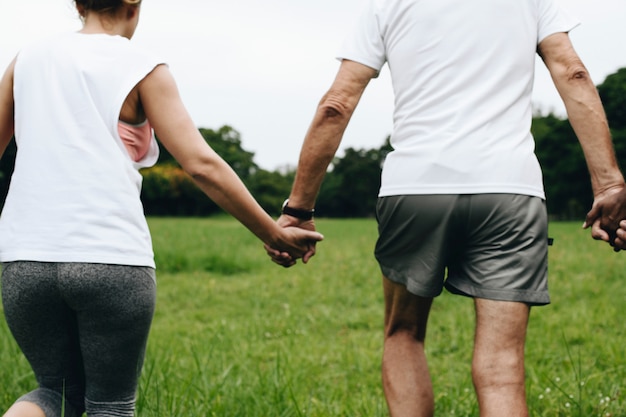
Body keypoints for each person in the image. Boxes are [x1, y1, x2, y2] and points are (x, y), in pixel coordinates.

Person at [267, 0, 625, 415]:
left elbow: (336, 104)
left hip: (416, 187)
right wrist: (609, 183)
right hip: (510, 188)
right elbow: (573, 73)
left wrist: (299, 209)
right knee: (502, 367)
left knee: (404, 333)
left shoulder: (387, 5)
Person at [0, 1, 323, 416]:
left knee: (54, 393)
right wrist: (274, 233)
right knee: (110, 406)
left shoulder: (26, 60)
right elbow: (201, 165)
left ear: (77, 3)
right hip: (110, 259)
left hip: (25, 261)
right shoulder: (144, 67)